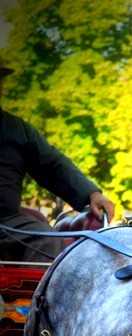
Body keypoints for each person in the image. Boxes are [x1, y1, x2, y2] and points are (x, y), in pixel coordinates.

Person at [0, 55, 115, 264]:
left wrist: (92, 193)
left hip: (7, 223)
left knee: (44, 238)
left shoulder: (16, 129)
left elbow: (52, 165)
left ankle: (34, 298)